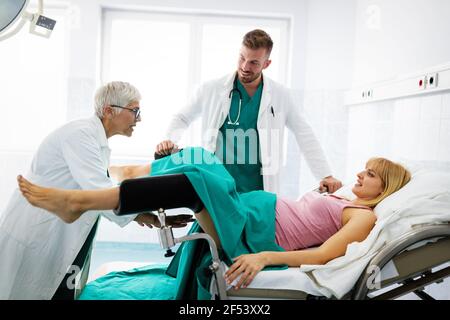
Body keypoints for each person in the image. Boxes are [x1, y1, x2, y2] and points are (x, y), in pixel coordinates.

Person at [16, 148, 411, 293]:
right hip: (250, 211)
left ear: (385, 186)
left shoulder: (363, 216)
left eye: (370, 174)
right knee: (202, 159)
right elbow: (312, 219)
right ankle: (129, 172)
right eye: (363, 169)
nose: (360, 174)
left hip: (253, 233)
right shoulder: (345, 197)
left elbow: (324, 254)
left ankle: (80, 201)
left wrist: (264, 258)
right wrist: (329, 190)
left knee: (199, 178)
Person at [0, 81, 189, 300]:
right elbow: (100, 190)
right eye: (135, 111)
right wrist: (147, 214)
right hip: (37, 232)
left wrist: (146, 216)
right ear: (109, 110)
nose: (139, 118)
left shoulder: (95, 141)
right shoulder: (79, 135)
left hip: (63, 234)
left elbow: (104, 190)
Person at [156, 29, 342, 194]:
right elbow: (182, 117)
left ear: (266, 64)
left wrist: (325, 174)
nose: (245, 67)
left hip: (259, 188)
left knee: (256, 233)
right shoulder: (211, 89)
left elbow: (304, 133)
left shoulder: (280, 95)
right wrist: (169, 139)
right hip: (218, 184)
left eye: (254, 62)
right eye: (242, 58)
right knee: (214, 233)